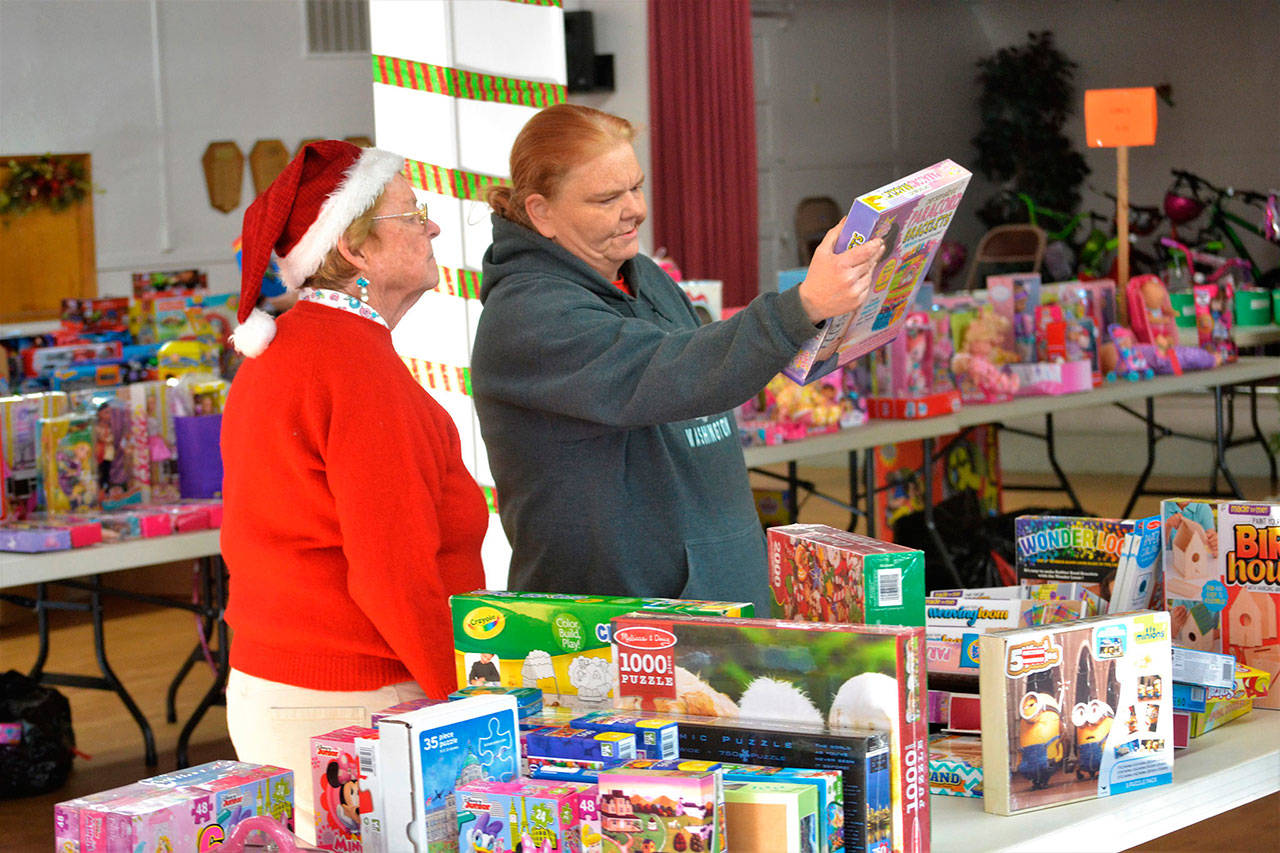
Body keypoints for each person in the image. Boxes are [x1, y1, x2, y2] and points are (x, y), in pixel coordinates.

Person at [471, 104, 880, 612]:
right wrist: (803, 305)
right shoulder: (528, 318)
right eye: (607, 198)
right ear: (541, 212)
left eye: (636, 188)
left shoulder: (642, 273)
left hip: (716, 608)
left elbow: (709, 370)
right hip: (621, 631)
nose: (635, 210)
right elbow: (674, 371)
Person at [219, 140, 487, 843]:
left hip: (281, 688)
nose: (432, 227)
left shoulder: (297, 348)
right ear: (355, 249)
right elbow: (392, 568)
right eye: (413, 213)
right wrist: (473, 699)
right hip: (353, 694)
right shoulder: (352, 366)